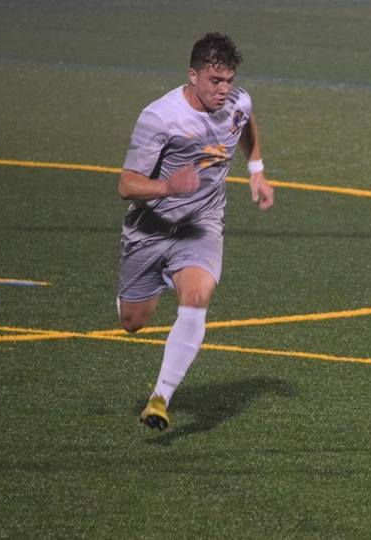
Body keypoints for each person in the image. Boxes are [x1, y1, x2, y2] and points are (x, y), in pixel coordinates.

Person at [117, 32, 275, 430]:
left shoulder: (237, 102)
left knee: (198, 294)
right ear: (192, 76)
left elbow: (246, 122)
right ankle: (157, 281)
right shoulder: (160, 118)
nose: (224, 91)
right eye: (214, 81)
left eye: (229, 81)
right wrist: (167, 187)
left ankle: (160, 398)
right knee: (132, 322)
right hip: (149, 229)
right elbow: (127, 185)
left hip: (201, 223)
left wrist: (256, 172)